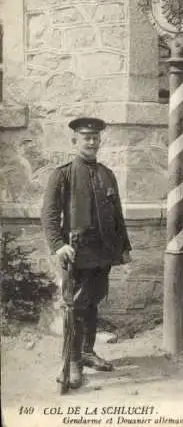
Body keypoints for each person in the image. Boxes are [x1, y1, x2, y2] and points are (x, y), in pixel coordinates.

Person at [41, 117, 132, 389]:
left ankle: (88, 352)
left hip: (102, 252)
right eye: (86, 138)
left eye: (95, 138)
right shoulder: (63, 174)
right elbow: (48, 214)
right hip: (76, 253)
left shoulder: (106, 173)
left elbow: (117, 215)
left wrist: (124, 247)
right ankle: (72, 362)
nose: (91, 142)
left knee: (93, 303)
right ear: (75, 141)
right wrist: (59, 245)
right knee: (74, 308)